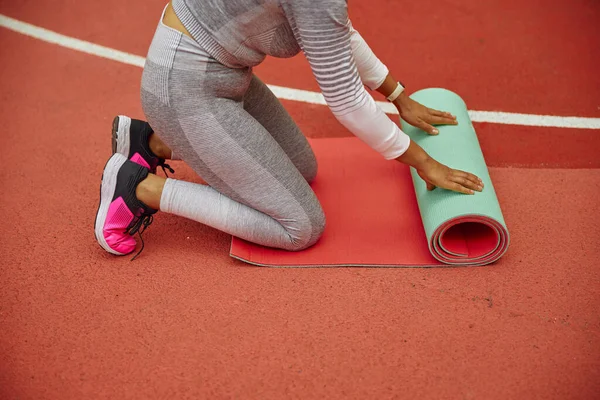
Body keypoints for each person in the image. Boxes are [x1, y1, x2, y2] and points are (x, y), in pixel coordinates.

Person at [94, 0, 483, 259]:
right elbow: (346, 100)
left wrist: (398, 96)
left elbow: (337, 31)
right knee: (299, 227)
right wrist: (424, 163)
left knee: (303, 168)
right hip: (185, 89)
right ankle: (138, 188)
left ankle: (156, 141)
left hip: (225, 80)